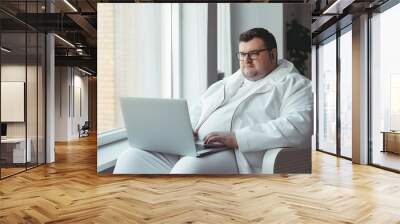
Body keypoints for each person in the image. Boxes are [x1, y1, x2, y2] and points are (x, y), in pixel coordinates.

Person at [113, 27, 313, 174]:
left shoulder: (295, 85)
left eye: (253, 53)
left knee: (188, 169)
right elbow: (197, 111)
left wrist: (237, 138)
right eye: (242, 54)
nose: (246, 60)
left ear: (273, 54)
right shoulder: (227, 83)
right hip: (196, 147)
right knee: (130, 158)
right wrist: (184, 130)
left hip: (237, 154)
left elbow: (299, 126)